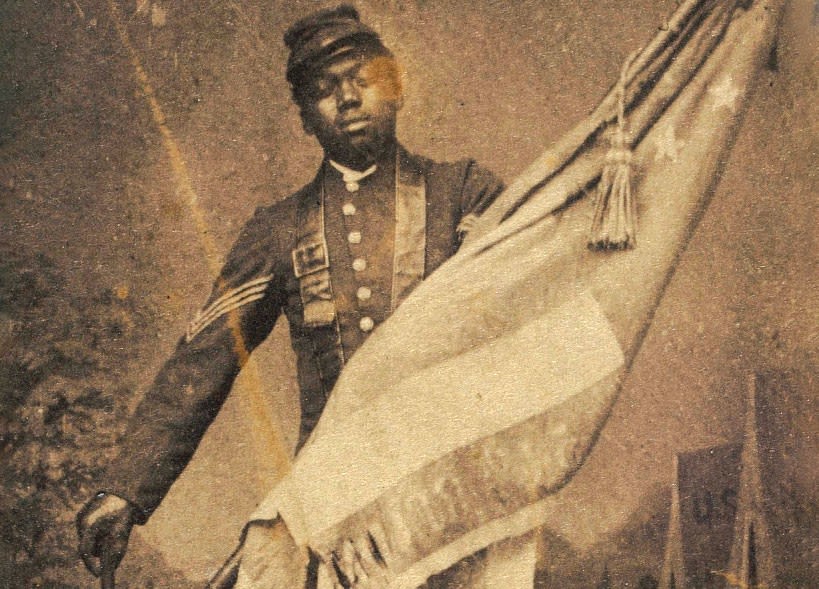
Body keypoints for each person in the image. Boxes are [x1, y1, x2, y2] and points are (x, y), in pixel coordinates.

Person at [76, 4, 513, 587]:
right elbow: (202, 361)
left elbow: (534, 279)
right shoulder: (279, 229)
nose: (349, 99)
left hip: (450, 491)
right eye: (325, 89)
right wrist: (126, 491)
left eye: (363, 79)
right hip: (335, 500)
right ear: (306, 117)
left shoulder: (464, 193)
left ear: (398, 88)